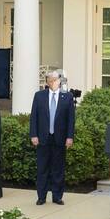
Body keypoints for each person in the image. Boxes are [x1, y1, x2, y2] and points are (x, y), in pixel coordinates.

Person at [28, 70, 76, 205]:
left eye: (55, 80)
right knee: (42, 168)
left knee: (58, 169)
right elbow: (34, 117)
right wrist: (33, 135)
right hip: (43, 138)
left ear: (59, 81)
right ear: (47, 82)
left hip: (60, 138)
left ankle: (57, 196)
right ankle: (41, 197)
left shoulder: (67, 97)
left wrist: (69, 137)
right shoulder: (39, 96)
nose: (54, 82)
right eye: (51, 80)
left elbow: (71, 120)